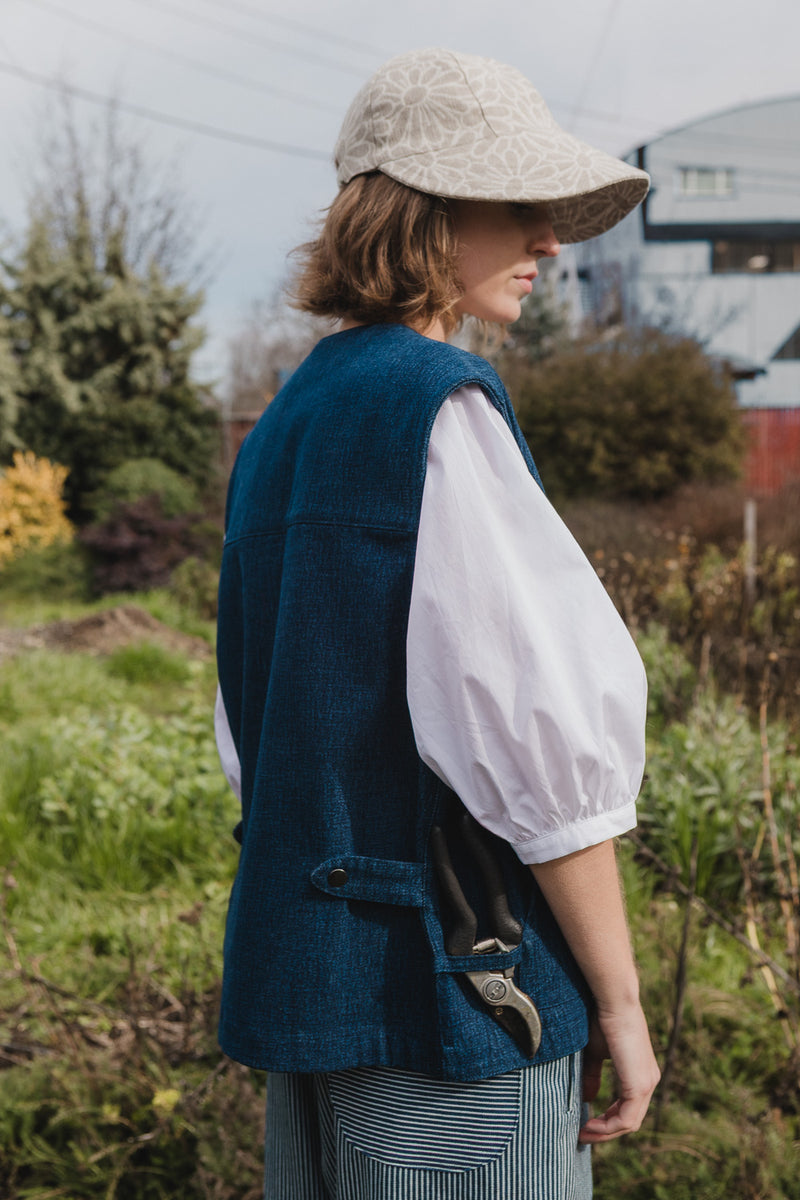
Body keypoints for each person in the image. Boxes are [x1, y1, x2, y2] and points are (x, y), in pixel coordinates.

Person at [215, 47, 661, 1200]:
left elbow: (258, 743)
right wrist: (620, 1006)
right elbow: (539, 750)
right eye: (519, 206)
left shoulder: (285, 422)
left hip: (310, 993)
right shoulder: (434, 409)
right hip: (451, 1005)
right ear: (425, 211)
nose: (549, 241)